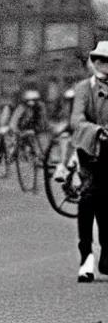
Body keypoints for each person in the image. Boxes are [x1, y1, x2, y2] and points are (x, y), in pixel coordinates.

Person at [70, 41, 108, 282]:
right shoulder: (84, 88)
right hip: (91, 149)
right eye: (100, 60)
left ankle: (107, 250)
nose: (104, 65)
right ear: (93, 62)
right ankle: (86, 257)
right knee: (89, 198)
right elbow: (77, 119)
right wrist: (96, 131)